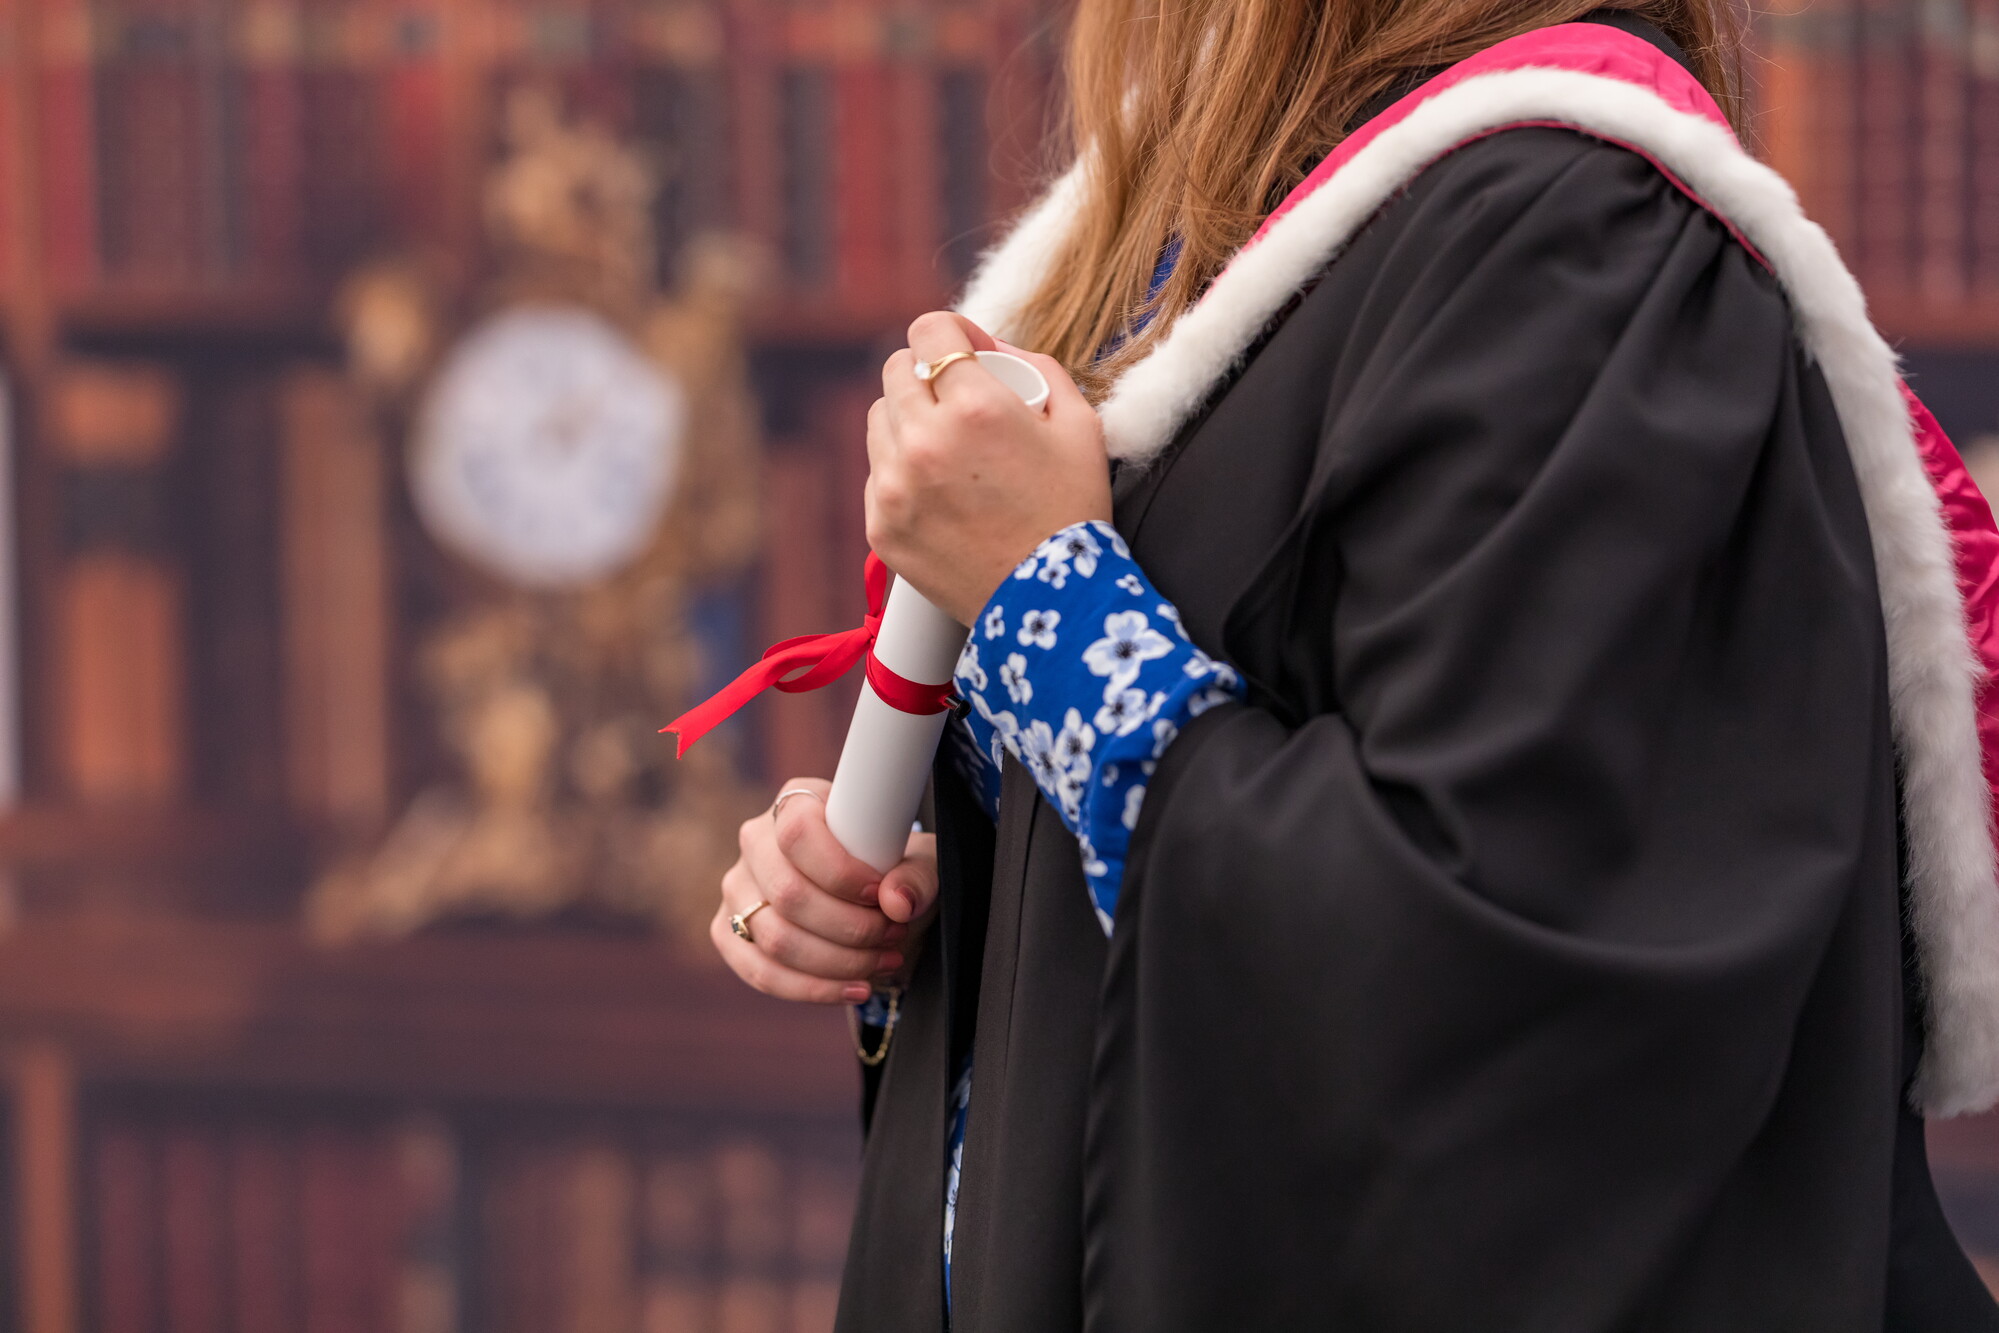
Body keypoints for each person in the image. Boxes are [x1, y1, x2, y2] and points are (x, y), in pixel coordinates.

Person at [710, 1, 1999, 1327]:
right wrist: (965, 896)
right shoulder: (1200, 231)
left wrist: (1051, 608)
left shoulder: (1570, 239)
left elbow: (1489, 967)